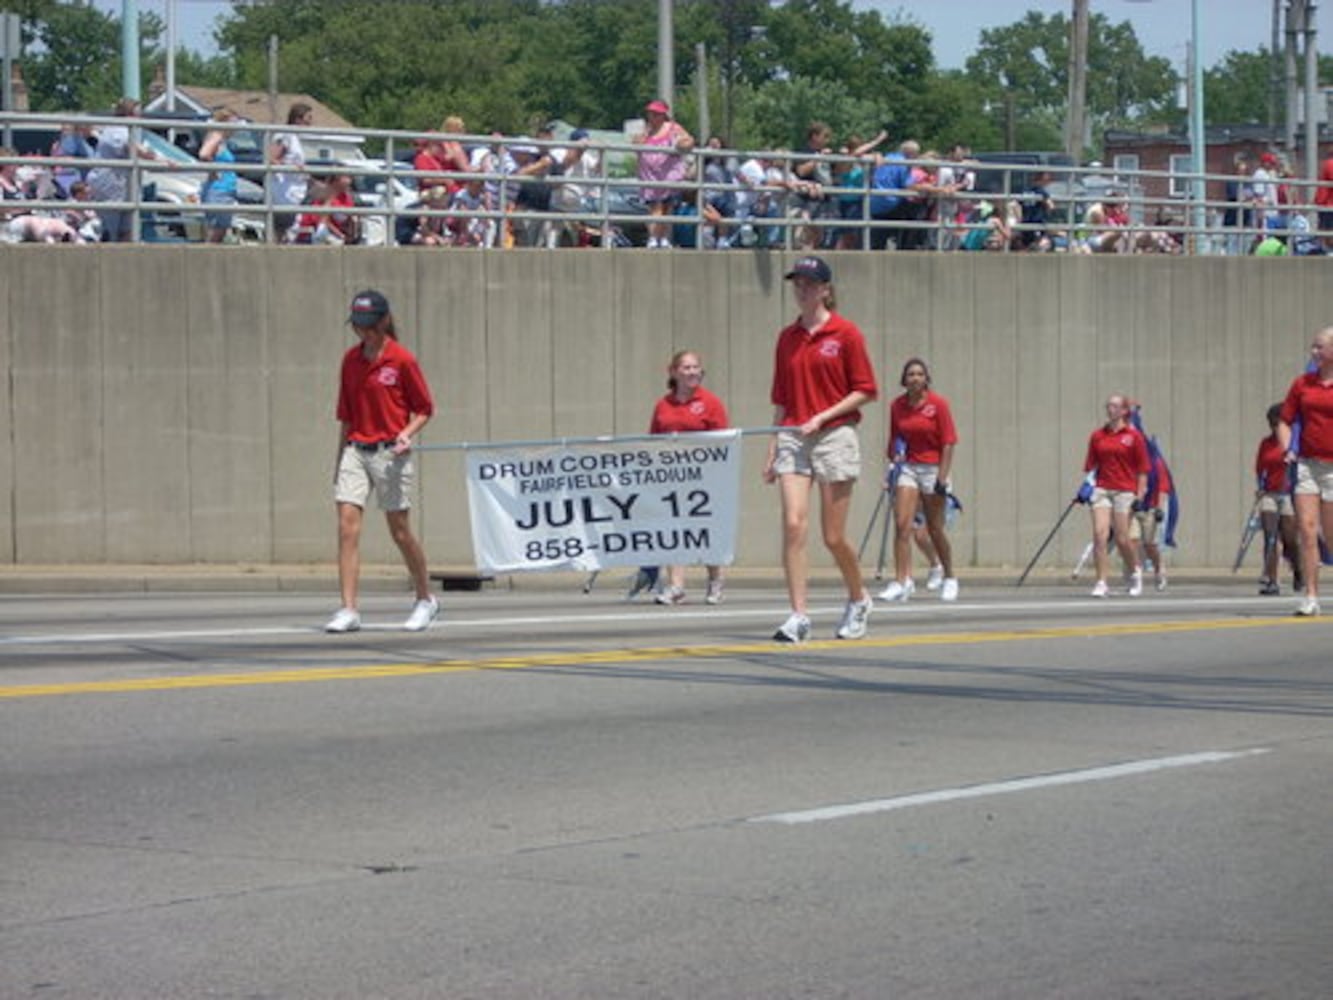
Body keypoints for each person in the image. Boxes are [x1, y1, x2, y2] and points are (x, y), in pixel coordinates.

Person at [764, 255, 879, 642]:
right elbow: (781, 398)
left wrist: (823, 416)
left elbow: (865, 390)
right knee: (793, 524)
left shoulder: (846, 334)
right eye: (798, 283)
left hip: (834, 434)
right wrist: (773, 446)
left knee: (833, 536)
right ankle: (798, 614)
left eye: (810, 284)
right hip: (794, 435)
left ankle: (858, 597)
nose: (802, 289)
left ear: (826, 290)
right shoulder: (787, 338)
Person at [326, 290, 440, 634]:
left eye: (370, 326)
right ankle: (349, 609)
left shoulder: (401, 360)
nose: (364, 334)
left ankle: (425, 598)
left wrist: (408, 432)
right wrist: (339, 458)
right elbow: (346, 415)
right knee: (347, 527)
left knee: (399, 531)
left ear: (384, 321)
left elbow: (425, 408)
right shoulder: (350, 361)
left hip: (391, 452)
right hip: (356, 449)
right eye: (358, 327)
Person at [649, 350, 730, 605]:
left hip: (705, 477)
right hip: (672, 479)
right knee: (674, 528)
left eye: (696, 367)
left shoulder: (710, 402)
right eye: (686, 367)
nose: (692, 372)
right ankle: (676, 586)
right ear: (673, 372)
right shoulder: (663, 405)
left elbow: (723, 441)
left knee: (705, 528)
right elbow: (652, 441)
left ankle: (715, 580)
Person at [877, 358, 960, 603]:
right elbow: (894, 440)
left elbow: (949, 442)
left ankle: (950, 577)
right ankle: (902, 581)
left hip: (933, 468)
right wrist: (893, 460)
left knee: (934, 528)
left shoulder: (938, 405)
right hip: (908, 468)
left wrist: (942, 478)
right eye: (910, 374)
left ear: (926, 379)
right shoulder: (897, 406)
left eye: (919, 374)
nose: (915, 378)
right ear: (904, 379)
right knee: (902, 524)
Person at [1276, 326, 1333, 617]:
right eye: (1313, 346)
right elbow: (1285, 420)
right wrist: (1288, 449)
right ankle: (1311, 596)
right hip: (1307, 465)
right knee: (1307, 531)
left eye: (1319, 346)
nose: (1313, 352)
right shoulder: (1302, 384)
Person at [1082, 393, 1150, 598]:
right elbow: (1091, 466)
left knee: (1122, 538)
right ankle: (1101, 581)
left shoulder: (1133, 436)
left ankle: (1135, 571)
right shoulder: (1097, 436)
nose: (1109, 409)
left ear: (1123, 411)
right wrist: (1086, 488)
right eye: (1108, 405)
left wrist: (1139, 495)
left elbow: (1143, 469)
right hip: (1102, 489)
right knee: (1100, 535)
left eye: (1114, 406)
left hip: (1124, 490)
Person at [86, 96, 159, 242]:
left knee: (127, 230)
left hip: (124, 189)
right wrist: (153, 156)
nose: (139, 118)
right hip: (110, 188)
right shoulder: (116, 130)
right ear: (127, 115)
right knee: (109, 231)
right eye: (136, 115)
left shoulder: (127, 130)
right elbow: (133, 148)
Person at [1255, 402, 1301, 596]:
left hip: (1289, 493)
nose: (1274, 427)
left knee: (1290, 539)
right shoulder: (1266, 443)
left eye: (1277, 422)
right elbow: (1260, 468)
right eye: (1271, 423)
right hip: (1270, 494)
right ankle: (1273, 580)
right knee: (1270, 535)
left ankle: (1299, 571)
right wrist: (1260, 487)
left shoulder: (1294, 442)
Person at [635, 99, 694, 249]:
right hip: (650, 174)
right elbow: (636, 143)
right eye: (650, 113)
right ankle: (654, 238)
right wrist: (639, 141)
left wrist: (681, 145)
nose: (652, 117)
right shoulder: (646, 130)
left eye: (656, 114)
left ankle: (663, 238)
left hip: (669, 174)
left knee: (667, 207)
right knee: (654, 208)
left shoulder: (673, 128)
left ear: (663, 115)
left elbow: (688, 141)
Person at [268, 102, 312, 243]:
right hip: (284, 191)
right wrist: (291, 167)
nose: (310, 122)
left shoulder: (294, 137)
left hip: (294, 192)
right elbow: (271, 158)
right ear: (298, 119)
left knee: (288, 230)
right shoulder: (285, 135)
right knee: (281, 229)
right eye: (308, 118)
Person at [197, 108, 240, 243]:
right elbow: (204, 154)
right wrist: (214, 170)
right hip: (219, 189)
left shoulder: (222, 140)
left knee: (220, 228)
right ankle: (207, 257)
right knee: (217, 229)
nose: (235, 128)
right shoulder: (217, 136)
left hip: (224, 189)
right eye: (233, 124)